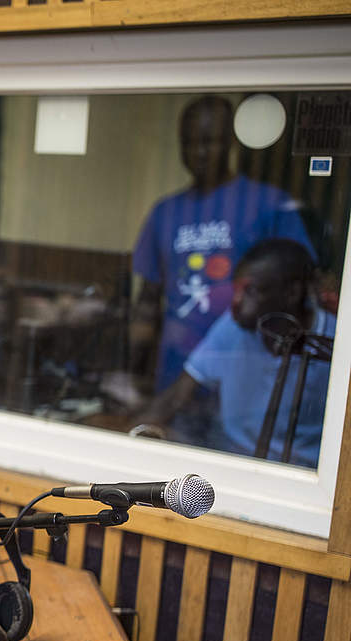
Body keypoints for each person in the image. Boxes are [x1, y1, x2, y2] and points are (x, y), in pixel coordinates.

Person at [130, 95, 315, 411]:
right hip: (175, 372)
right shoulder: (164, 213)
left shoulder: (269, 205)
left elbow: (303, 294)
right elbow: (147, 300)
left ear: (230, 142)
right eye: (189, 143)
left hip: (247, 376)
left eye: (209, 142)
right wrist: (133, 373)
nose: (199, 153)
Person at [136, 238, 335, 467]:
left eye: (251, 292)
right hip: (231, 458)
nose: (237, 302)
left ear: (291, 293)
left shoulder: (333, 342)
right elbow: (178, 395)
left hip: (302, 472)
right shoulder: (233, 325)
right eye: (237, 289)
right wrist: (133, 436)